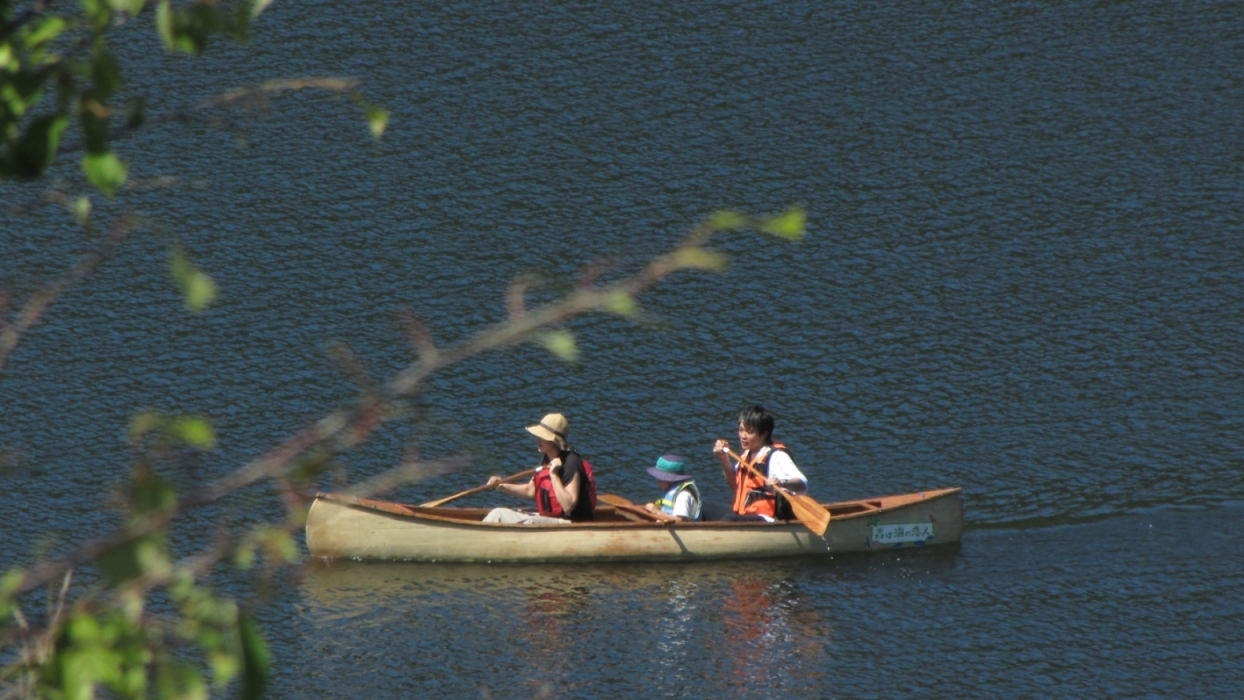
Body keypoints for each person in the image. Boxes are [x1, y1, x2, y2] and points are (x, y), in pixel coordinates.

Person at [482, 412, 596, 524]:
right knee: (501, 513)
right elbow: (530, 490)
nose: (537, 440)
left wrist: (554, 475)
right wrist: (500, 486)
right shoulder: (547, 458)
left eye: (542, 437)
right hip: (553, 519)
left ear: (554, 441)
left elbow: (568, 506)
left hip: (571, 524)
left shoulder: (571, 462)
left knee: (498, 515)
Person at [703, 405, 808, 522]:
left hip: (766, 519)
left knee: (730, 519)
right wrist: (723, 459)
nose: (743, 436)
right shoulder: (747, 454)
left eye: (749, 431)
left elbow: (802, 484)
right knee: (704, 507)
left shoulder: (777, 456)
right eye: (741, 430)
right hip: (744, 514)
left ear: (763, 434)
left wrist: (780, 482)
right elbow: (735, 486)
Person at [643, 454, 701, 521]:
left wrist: (657, 512)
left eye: (659, 478)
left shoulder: (683, 495)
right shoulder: (672, 490)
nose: (658, 481)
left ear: (667, 480)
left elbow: (679, 521)